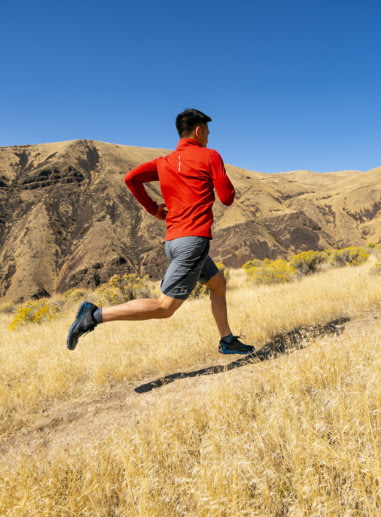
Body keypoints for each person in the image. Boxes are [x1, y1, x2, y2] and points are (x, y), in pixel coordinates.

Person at [66, 108, 255, 355]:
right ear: (198, 131)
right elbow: (227, 198)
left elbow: (131, 178)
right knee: (165, 307)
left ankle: (227, 340)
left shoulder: (163, 163)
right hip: (193, 242)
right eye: (208, 131)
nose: (209, 136)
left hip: (173, 241)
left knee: (218, 283)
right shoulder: (210, 156)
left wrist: (153, 209)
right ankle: (93, 315)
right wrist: (217, 174)